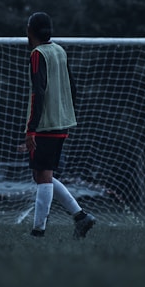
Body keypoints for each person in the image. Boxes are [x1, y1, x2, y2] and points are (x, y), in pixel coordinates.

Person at [18, 12, 95, 238]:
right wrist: (66, 113)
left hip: (45, 123)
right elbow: (73, 88)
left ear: (30, 31)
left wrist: (31, 129)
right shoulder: (60, 50)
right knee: (43, 173)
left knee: (42, 175)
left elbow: (38, 92)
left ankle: (38, 231)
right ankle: (81, 217)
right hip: (62, 121)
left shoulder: (37, 54)